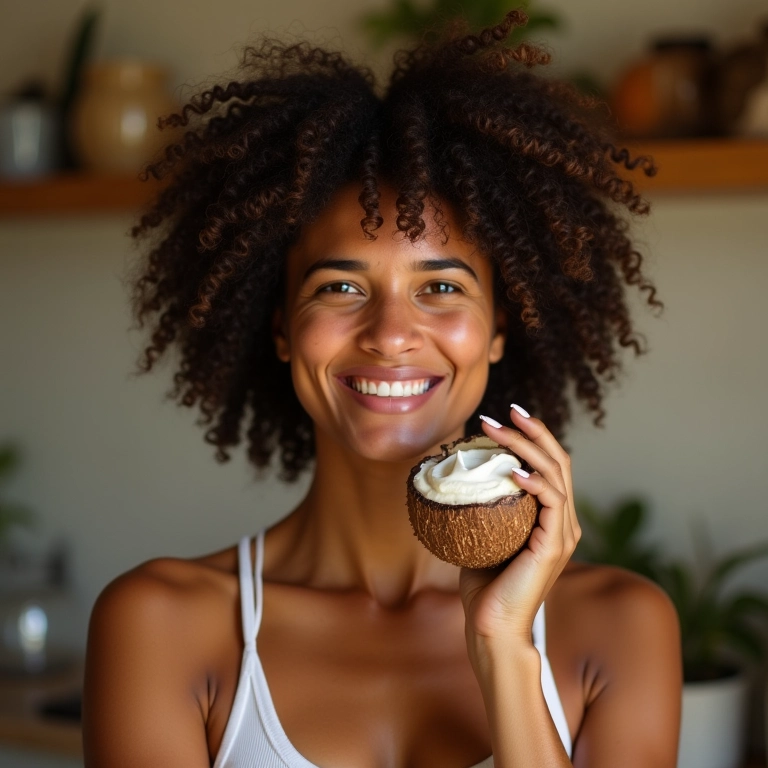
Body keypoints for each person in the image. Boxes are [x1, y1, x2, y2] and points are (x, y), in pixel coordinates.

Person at [83, 10, 682, 767]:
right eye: (340, 286)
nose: (392, 333)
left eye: (440, 286)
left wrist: (504, 652)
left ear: (500, 327)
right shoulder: (160, 623)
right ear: (279, 329)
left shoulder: (622, 628)